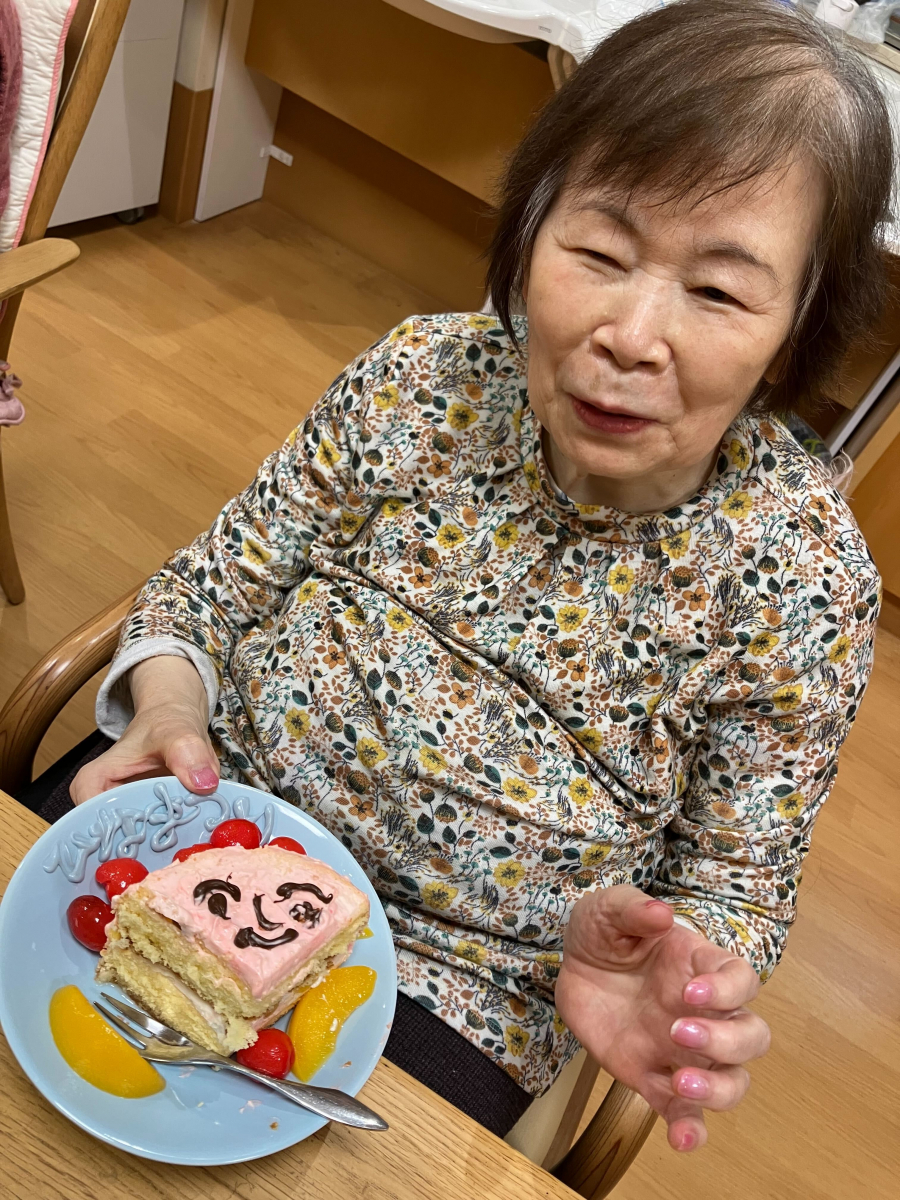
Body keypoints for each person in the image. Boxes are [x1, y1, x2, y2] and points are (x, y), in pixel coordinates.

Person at [64, 0, 889, 1151]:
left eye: (716, 291)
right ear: (533, 227)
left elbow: (736, 881)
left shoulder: (803, 579)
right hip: (208, 819)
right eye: (600, 252)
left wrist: (683, 967)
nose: (631, 334)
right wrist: (166, 706)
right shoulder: (421, 379)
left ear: (798, 328)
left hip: (458, 988)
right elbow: (212, 587)